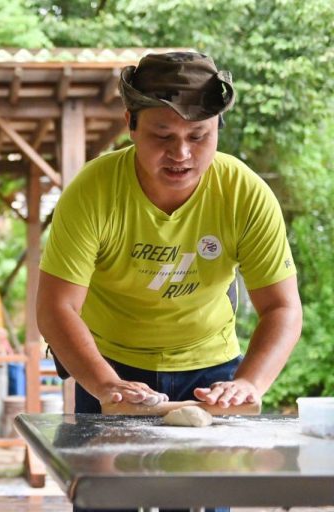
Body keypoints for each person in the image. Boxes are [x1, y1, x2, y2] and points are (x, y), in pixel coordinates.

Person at [37, 51, 302, 418]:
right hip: (112, 366)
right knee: (107, 476)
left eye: (198, 136)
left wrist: (250, 383)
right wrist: (106, 385)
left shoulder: (245, 193)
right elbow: (56, 307)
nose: (181, 153)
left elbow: (282, 307)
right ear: (131, 123)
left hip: (213, 370)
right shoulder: (92, 192)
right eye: (162, 135)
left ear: (218, 125)